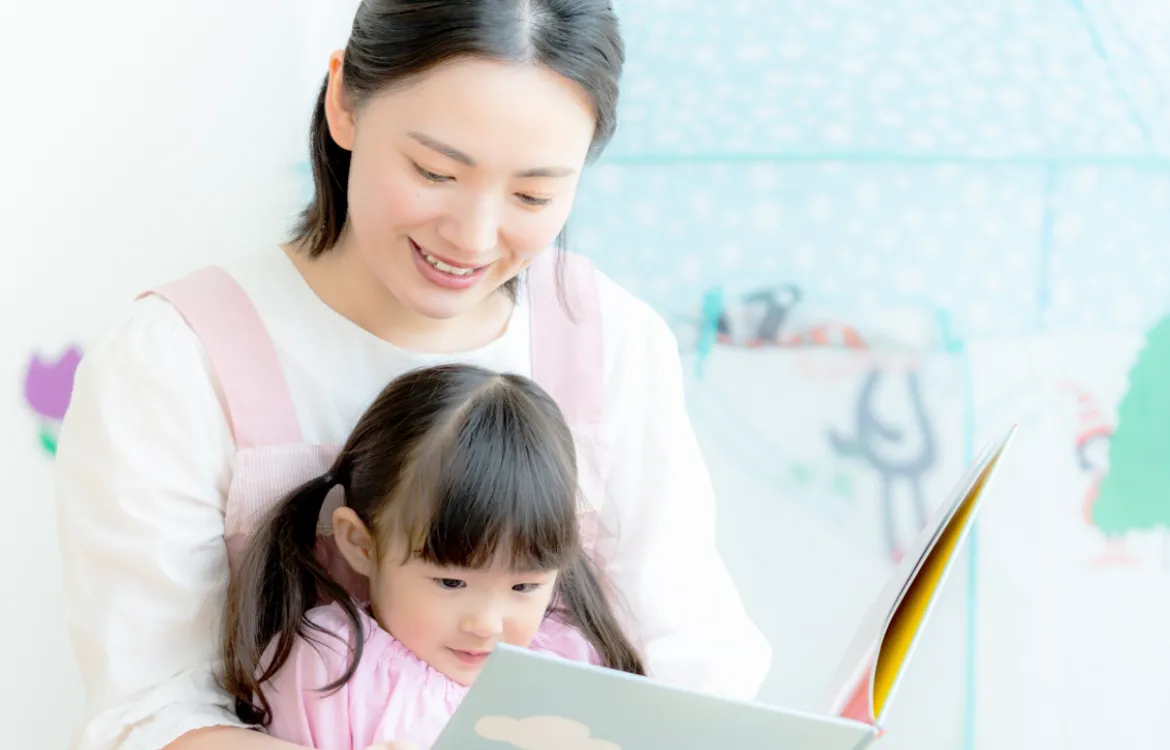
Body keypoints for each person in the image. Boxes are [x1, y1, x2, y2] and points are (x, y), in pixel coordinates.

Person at [55, 2, 771, 749]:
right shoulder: (175, 361)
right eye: (435, 172)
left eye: (532, 194)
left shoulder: (611, 342)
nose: (473, 237)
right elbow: (153, 713)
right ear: (344, 103)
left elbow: (696, 665)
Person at [223, 363, 643, 749]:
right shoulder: (327, 668)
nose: (486, 624)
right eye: (451, 582)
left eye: (524, 587)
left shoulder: (568, 662)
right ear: (362, 545)